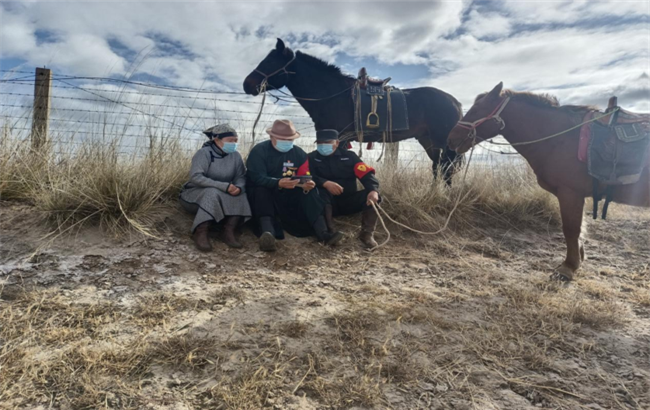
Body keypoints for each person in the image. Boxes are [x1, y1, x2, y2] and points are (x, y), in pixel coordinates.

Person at [246, 119, 344, 251]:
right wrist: (277, 182)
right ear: (271, 137)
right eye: (282, 139)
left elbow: (305, 175)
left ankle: (323, 234)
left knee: (311, 192)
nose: (286, 142)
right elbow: (256, 177)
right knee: (261, 191)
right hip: (266, 191)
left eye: (289, 139)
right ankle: (268, 234)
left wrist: (307, 184)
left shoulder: (299, 153)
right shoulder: (259, 151)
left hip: (290, 192)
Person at [179, 124, 252, 251]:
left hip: (221, 192)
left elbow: (240, 176)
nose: (234, 143)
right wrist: (224, 186)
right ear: (217, 140)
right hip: (194, 195)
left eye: (235, 140)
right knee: (212, 192)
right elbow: (196, 177)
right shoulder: (203, 153)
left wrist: (239, 187)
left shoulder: (235, 156)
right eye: (230, 141)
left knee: (241, 194)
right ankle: (201, 231)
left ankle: (228, 231)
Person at [308, 129, 380, 248]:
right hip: (325, 203)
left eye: (327, 142)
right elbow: (306, 176)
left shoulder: (350, 157)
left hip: (348, 201)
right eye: (320, 143)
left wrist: (373, 190)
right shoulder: (311, 158)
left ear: (336, 143)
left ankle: (367, 235)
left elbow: (366, 174)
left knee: (373, 194)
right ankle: (330, 233)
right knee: (319, 193)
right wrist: (325, 183)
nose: (323, 145)